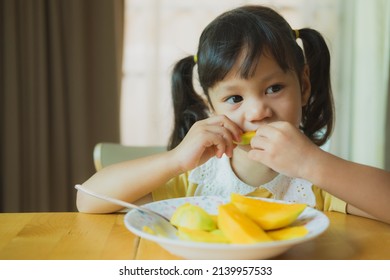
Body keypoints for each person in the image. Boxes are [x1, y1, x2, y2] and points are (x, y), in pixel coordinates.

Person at [76, 5, 390, 224]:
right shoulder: (195, 180)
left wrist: (311, 164)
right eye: (235, 98)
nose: (257, 111)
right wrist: (175, 160)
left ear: (304, 85)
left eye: (274, 88)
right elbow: (87, 200)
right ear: (211, 107)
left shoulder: (319, 181)